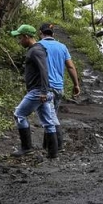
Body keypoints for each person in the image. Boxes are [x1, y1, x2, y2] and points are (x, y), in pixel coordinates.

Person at [10, 24, 59, 159]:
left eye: (20, 38)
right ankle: (53, 153)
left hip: (38, 91)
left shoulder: (35, 50)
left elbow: (44, 71)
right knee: (48, 122)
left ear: (26, 37)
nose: (19, 41)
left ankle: (26, 148)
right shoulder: (37, 49)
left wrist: (43, 91)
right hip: (42, 91)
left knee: (19, 114)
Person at [38, 23, 81, 151]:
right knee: (51, 114)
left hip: (46, 87)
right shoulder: (62, 47)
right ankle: (47, 146)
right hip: (59, 88)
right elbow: (71, 67)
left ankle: (58, 145)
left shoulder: (38, 46)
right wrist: (76, 84)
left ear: (40, 33)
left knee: (50, 116)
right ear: (53, 34)